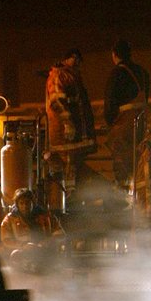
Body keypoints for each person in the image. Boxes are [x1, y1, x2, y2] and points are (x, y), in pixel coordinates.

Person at [44, 48, 96, 204]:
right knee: (67, 163)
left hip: (75, 135)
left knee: (72, 165)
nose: (78, 63)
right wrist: (67, 123)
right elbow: (56, 101)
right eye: (75, 59)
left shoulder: (71, 76)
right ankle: (67, 200)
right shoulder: (59, 75)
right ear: (67, 59)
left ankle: (71, 198)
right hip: (65, 135)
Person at [103, 39, 150, 193]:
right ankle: (138, 192)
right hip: (141, 122)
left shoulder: (117, 73)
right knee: (138, 160)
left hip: (123, 125)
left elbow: (110, 103)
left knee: (121, 159)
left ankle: (123, 193)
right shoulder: (142, 72)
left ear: (114, 55)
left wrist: (111, 123)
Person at [0, 187, 64, 271]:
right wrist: (22, 245)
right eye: (21, 203)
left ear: (33, 203)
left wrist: (47, 242)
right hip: (22, 252)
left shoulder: (46, 216)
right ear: (17, 204)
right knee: (15, 255)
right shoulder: (9, 219)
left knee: (52, 259)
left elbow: (60, 234)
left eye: (27, 203)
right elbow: (6, 240)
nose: (25, 206)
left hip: (44, 250)